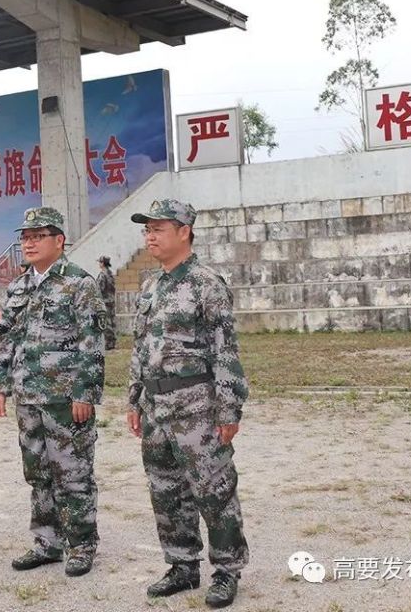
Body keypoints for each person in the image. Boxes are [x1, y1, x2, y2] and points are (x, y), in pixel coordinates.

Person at [126, 199, 249, 609]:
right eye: (148, 229)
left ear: (185, 231)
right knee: (165, 490)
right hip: (156, 405)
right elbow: (140, 349)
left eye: (159, 228)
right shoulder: (150, 286)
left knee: (213, 489)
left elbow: (225, 350)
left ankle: (227, 570)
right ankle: (181, 565)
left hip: (197, 406)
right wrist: (134, 398)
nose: (151, 236)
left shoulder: (206, 283)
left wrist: (229, 408)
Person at [0, 207, 107, 578]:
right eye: (25, 236)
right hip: (28, 397)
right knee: (37, 472)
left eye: (37, 235)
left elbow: (92, 344)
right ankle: (46, 543)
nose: (28, 242)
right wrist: (0, 386)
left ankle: (82, 544)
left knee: (73, 473)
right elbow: (5, 338)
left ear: (59, 240)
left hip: (65, 400)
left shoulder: (79, 284)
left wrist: (85, 394)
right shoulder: (19, 286)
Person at [96, 256, 117, 350]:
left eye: (100, 262)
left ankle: (108, 343)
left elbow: (100, 289)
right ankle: (112, 341)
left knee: (106, 322)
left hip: (104, 301)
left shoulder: (102, 275)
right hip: (111, 300)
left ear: (102, 263)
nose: (99, 264)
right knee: (112, 322)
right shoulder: (110, 274)